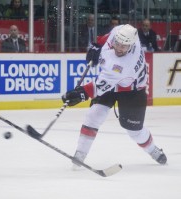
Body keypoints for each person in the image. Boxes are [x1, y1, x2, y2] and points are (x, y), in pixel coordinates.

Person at [62, 24, 167, 166]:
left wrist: (81, 93)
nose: (118, 48)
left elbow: (98, 87)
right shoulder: (123, 31)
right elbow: (109, 36)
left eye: (123, 46)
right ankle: (80, 154)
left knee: (134, 131)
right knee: (94, 115)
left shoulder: (125, 65)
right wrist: (97, 45)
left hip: (132, 92)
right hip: (111, 84)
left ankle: (152, 149)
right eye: (117, 44)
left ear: (130, 45)